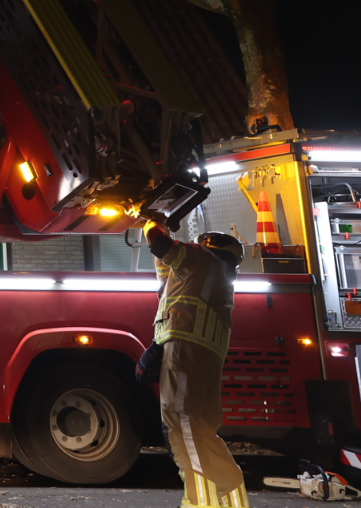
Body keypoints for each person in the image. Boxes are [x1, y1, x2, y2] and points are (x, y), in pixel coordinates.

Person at [144, 215, 248, 508]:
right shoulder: (210, 274)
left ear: (206, 247)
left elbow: (160, 244)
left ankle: (201, 503)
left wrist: (150, 220)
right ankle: (229, 500)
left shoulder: (202, 260)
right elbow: (165, 270)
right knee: (201, 430)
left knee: (184, 427)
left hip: (186, 355)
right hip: (199, 358)